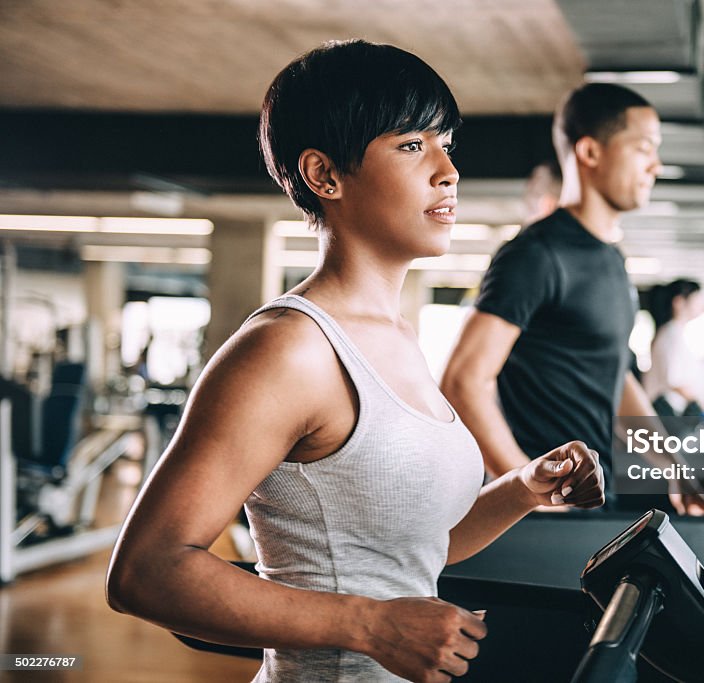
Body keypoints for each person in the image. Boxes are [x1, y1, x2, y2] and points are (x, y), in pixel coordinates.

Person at [106, 40, 604, 683]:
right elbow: (147, 571)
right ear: (324, 176)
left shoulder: (396, 336)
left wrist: (524, 489)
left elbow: (410, 551)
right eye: (411, 145)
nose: (447, 169)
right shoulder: (289, 349)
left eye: (444, 141)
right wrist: (369, 626)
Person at [441, 83, 704, 516]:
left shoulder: (611, 259)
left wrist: (672, 465)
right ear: (589, 152)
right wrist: (529, 497)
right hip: (548, 517)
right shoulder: (536, 255)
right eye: (643, 148)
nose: (656, 166)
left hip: (594, 499)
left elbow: (615, 374)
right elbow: (462, 381)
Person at [644, 279, 704, 417]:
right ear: (679, 302)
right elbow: (676, 382)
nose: (703, 303)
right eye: (698, 298)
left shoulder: (677, 334)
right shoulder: (671, 335)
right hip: (670, 418)